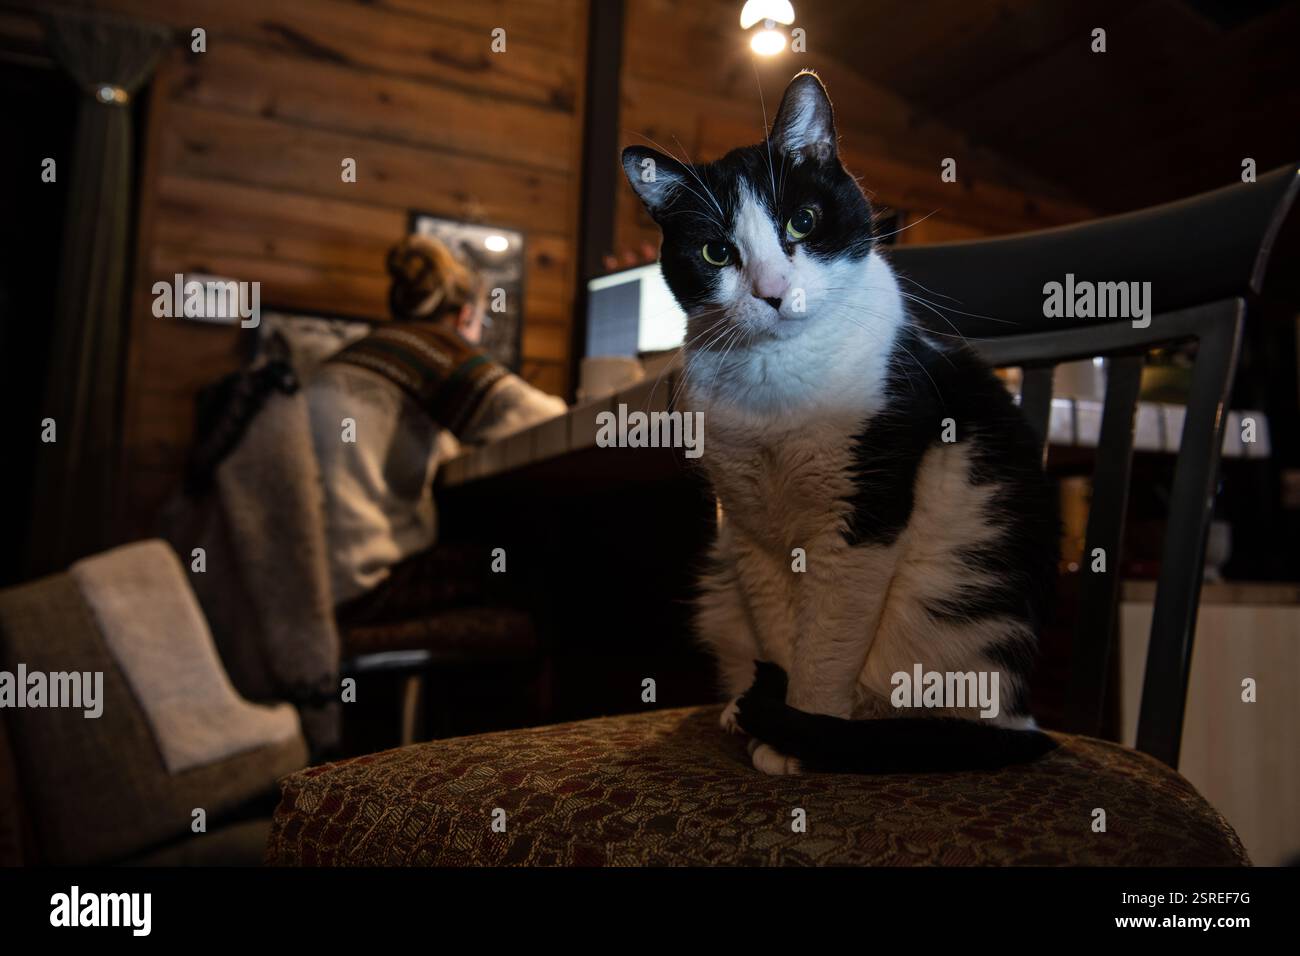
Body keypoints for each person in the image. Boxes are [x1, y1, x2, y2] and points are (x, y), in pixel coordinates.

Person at [305, 234, 566, 609]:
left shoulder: (356, 353)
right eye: (482, 322)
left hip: (307, 580)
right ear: (465, 316)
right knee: (541, 558)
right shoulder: (438, 349)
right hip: (361, 585)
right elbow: (545, 420)